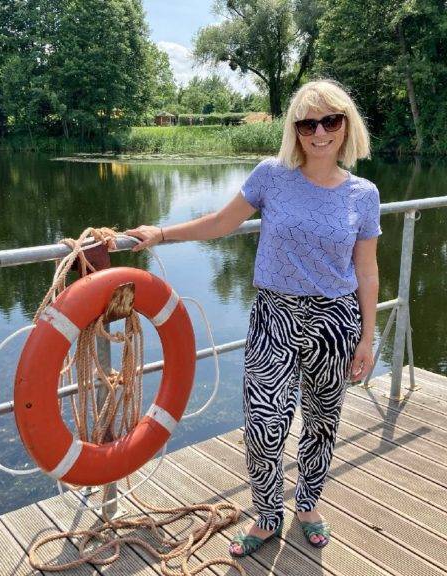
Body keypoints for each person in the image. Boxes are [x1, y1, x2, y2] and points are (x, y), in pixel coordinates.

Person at [126, 79, 381, 558]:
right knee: (264, 422)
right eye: (307, 123)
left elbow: (366, 271)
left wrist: (367, 338)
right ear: (295, 130)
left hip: (335, 321)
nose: (319, 132)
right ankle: (267, 514)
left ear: (347, 125)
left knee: (323, 420)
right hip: (274, 316)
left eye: (330, 121)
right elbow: (222, 222)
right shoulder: (272, 175)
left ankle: (307, 504)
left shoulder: (363, 195)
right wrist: (161, 233)